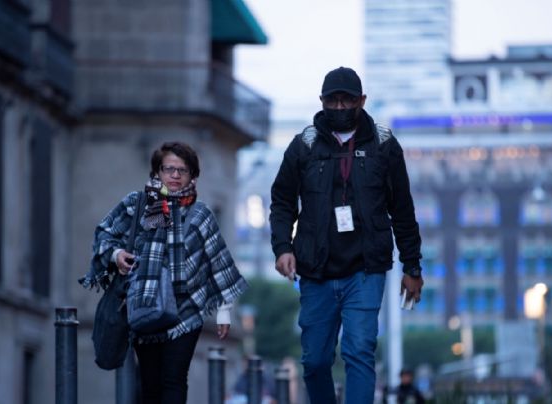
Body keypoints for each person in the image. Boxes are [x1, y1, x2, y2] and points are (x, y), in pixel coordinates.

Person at [269, 66, 424, 404]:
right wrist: (282, 248)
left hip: (365, 270)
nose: (339, 107)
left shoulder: (384, 146)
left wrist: (412, 268)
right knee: (315, 361)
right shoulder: (303, 146)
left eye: (347, 100)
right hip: (315, 270)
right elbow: (281, 201)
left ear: (361, 100)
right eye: (332, 100)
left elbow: (403, 210)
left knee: (359, 351)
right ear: (322, 101)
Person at [80, 141, 248, 403]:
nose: (175, 175)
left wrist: (224, 312)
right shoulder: (136, 204)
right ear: (157, 172)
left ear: (193, 175)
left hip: (186, 311)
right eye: (169, 168)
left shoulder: (201, 213)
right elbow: (105, 233)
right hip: (144, 304)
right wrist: (117, 255)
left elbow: (218, 260)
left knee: (174, 378)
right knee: (151, 382)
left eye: (183, 170)